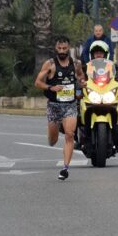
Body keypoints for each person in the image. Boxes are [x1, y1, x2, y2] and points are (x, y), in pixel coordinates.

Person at [34, 36, 85, 180]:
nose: (62, 51)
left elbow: (81, 76)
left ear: (69, 48)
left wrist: (82, 83)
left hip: (70, 105)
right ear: (56, 49)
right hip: (54, 106)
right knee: (53, 140)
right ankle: (53, 133)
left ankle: (65, 168)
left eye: (65, 48)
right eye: (59, 48)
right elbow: (37, 83)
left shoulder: (76, 64)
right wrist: (51, 87)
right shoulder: (50, 64)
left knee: (70, 134)